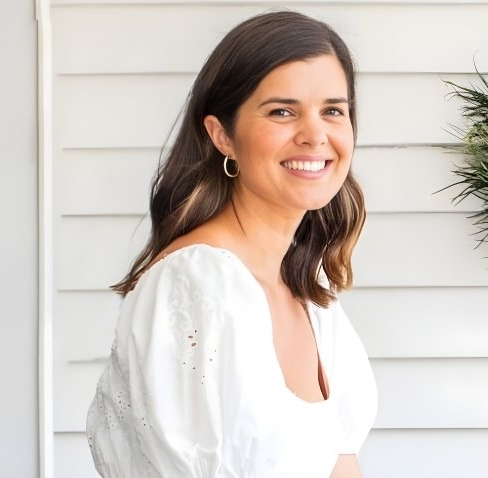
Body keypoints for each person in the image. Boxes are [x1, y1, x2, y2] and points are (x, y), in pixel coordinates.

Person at [85, 11, 377, 478]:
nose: (315, 134)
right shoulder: (195, 285)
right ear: (223, 135)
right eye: (282, 111)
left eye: (333, 110)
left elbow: (340, 460)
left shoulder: (309, 287)